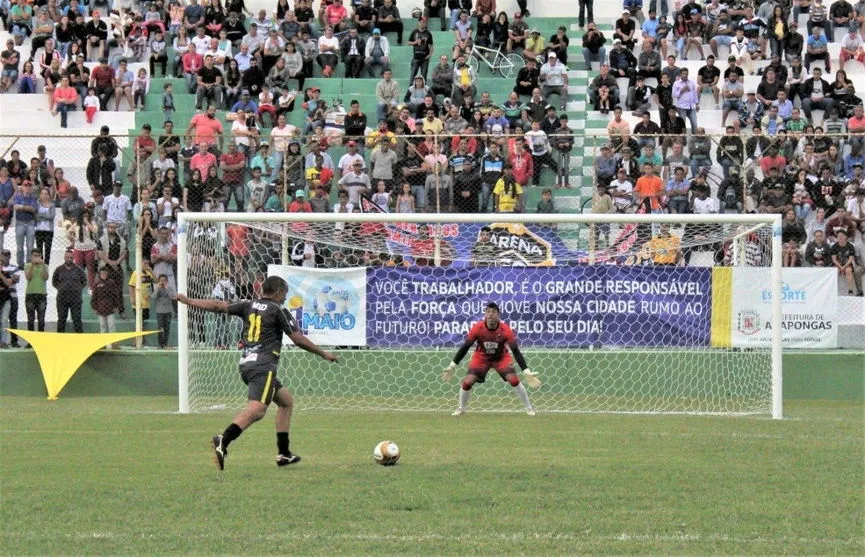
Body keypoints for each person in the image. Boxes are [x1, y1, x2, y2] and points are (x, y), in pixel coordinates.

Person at [175, 275, 339, 470]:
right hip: (263, 365)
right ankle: (223, 439)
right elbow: (297, 338)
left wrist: (189, 301)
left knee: (285, 401)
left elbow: (218, 306)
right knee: (258, 409)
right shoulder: (279, 310)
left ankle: (284, 453)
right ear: (278, 292)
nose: (285, 298)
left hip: (246, 364)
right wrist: (323, 353)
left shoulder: (248, 304)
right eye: (285, 294)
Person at [442, 302, 540, 416]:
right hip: (481, 357)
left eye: (493, 312)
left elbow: (516, 351)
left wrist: (526, 371)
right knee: (467, 382)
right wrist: (452, 366)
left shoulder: (505, 330)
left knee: (514, 380)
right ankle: (461, 408)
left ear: (498, 315)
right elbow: (465, 347)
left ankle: (528, 408)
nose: (490, 314)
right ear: (485, 314)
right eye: (488, 311)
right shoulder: (478, 328)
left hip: (501, 357)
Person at [53, 249, 87, 333]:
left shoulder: (79, 270)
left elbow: (84, 281)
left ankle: (80, 342)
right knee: (61, 320)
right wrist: (60, 288)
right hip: (62, 299)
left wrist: (77, 289)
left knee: (77, 320)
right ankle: (60, 341)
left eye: (71, 257)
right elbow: (54, 282)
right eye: (67, 257)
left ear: (73, 258)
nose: (69, 259)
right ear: (64, 257)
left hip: (75, 299)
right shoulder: (58, 269)